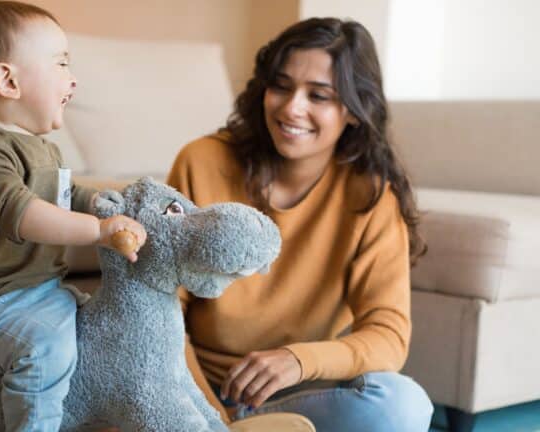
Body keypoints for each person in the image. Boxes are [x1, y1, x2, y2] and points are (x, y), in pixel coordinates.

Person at [167, 17, 433, 432]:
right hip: (190, 395)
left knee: (403, 406)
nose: (292, 108)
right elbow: (160, 307)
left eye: (319, 96)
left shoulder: (371, 195)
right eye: (282, 86)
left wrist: (299, 360)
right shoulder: (201, 162)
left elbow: (388, 335)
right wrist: (211, 420)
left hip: (295, 398)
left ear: (354, 112)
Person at [0, 2, 146, 431]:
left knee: (98, 330)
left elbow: (63, 195)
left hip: (41, 290)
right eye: (61, 63)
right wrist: (99, 231)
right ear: (8, 80)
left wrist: (107, 203)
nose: (73, 77)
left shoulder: (43, 147)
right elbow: (26, 215)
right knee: (45, 350)